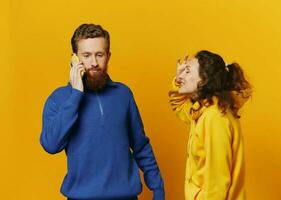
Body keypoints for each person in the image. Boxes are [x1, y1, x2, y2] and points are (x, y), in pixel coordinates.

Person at [40, 23, 164, 200]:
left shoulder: (123, 94)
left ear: (108, 56)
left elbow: (141, 145)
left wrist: (157, 188)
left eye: (100, 54)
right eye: (86, 55)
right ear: (74, 59)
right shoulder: (60, 98)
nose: (94, 63)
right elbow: (51, 145)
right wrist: (76, 94)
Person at [169, 50, 252, 200]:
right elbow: (179, 105)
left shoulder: (215, 118)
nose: (180, 76)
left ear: (204, 80)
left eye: (187, 72)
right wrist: (178, 80)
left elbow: (217, 184)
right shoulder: (203, 110)